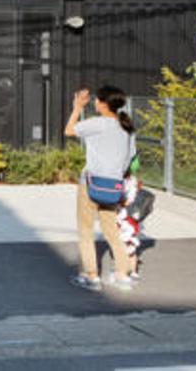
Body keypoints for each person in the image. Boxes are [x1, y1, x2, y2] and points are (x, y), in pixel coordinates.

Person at [65, 85, 136, 292]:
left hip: (91, 183)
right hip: (114, 184)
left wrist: (77, 108)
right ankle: (122, 275)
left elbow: (69, 131)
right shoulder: (126, 127)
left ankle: (91, 276)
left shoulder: (97, 123)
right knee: (111, 229)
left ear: (104, 104)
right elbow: (130, 158)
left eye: (97, 99)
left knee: (85, 230)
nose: (94, 102)